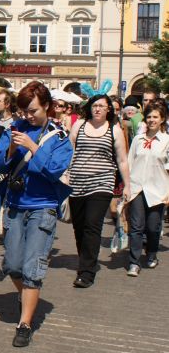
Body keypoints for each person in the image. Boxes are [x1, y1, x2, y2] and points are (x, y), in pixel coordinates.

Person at [0, 81, 73, 348]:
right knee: (12, 265)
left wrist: (33, 148)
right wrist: (12, 150)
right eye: (24, 111)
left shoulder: (58, 137)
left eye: (33, 110)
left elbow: (54, 171)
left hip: (43, 207)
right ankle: (27, 295)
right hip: (15, 205)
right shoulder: (14, 130)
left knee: (32, 268)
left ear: (47, 106)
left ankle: (24, 323)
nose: (28, 116)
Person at [68, 94, 130, 289]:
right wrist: (65, 175)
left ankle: (86, 272)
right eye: (95, 105)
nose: (97, 109)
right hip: (77, 183)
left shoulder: (114, 130)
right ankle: (85, 260)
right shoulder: (79, 125)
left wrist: (127, 185)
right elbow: (69, 152)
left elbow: (122, 160)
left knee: (92, 225)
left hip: (101, 183)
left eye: (102, 106)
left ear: (108, 110)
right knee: (79, 227)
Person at [126, 101, 169, 276]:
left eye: (155, 117)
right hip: (137, 188)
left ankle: (151, 254)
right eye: (149, 116)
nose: (151, 120)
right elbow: (129, 163)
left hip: (158, 190)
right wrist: (126, 187)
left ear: (162, 119)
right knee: (136, 227)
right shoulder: (138, 139)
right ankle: (134, 262)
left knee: (153, 227)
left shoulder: (166, 141)